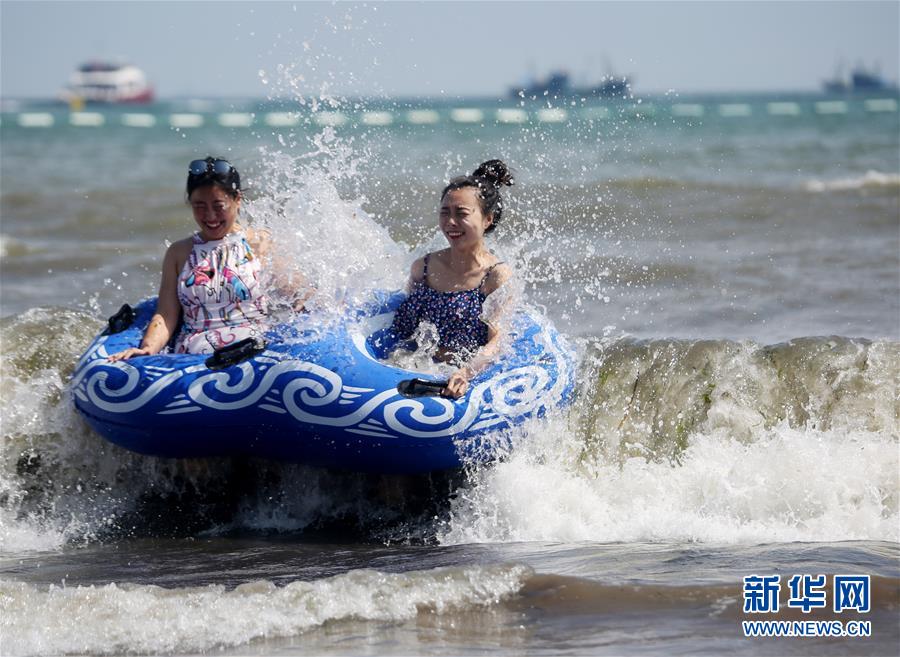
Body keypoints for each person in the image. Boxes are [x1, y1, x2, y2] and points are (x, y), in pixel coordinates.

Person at [109, 157, 285, 361]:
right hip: (195, 358)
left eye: (219, 205)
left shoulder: (261, 243)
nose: (210, 216)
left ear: (237, 200)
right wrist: (148, 348)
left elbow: (291, 294)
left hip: (253, 349)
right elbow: (167, 314)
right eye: (199, 206)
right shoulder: (179, 253)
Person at [389, 159, 515, 398]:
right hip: (416, 366)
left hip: (465, 373)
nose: (450, 222)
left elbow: (496, 342)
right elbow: (402, 327)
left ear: (487, 219)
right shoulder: (423, 269)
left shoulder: (495, 277)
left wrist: (465, 373)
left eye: (462, 213)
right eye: (444, 213)